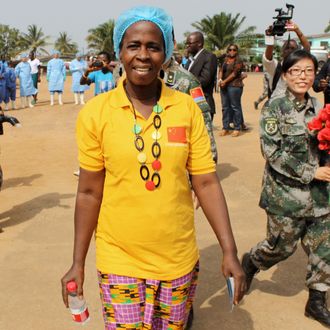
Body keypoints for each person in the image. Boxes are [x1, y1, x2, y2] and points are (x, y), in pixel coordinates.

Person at [61, 6, 245, 330]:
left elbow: (207, 183)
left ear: (166, 53)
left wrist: (229, 250)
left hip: (177, 259)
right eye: (133, 46)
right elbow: (89, 191)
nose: (143, 55)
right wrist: (78, 262)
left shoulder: (186, 108)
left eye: (153, 46)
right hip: (119, 258)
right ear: (120, 50)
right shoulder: (96, 113)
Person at [241, 50, 330, 328]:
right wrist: (310, 172)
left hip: (321, 196)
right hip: (286, 196)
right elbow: (273, 152)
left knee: (324, 248)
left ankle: (316, 301)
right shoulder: (274, 108)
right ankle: (253, 261)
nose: (303, 77)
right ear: (286, 74)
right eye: (296, 71)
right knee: (281, 246)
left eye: (308, 71)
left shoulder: (319, 106)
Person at [162, 50, 218, 163]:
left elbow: (203, 118)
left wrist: (209, 156)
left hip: (176, 156)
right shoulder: (138, 79)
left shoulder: (187, 81)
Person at [263, 20, 310, 98]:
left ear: (297, 51)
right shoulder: (275, 66)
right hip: (277, 106)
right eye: (287, 48)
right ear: (282, 51)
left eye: (293, 48)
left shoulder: (300, 64)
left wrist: (297, 30)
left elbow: (307, 49)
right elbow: (268, 57)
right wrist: (271, 37)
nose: (290, 50)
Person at [185, 32, 218, 121]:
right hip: (189, 104)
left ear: (199, 43)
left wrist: (183, 84)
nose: (187, 46)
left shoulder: (209, 57)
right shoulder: (190, 59)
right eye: (186, 43)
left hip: (202, 104)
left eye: (189, 43)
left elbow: (204, 80)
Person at [218, 44, 245, 137]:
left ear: (237, 51)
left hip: (235, 86)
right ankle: (226, 127)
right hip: (224, 86)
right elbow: (221, 70)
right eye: (230, 50)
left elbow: (234, 74)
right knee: (225, 107)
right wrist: (220, 80)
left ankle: (237, 128)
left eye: (234, 50)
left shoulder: (239, 60)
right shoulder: (225, 59)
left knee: (235, 107)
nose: (232, 51)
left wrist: (225, 81)